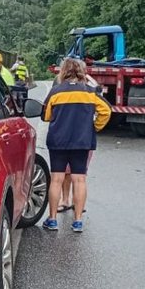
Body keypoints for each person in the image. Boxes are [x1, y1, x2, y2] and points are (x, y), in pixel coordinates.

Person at [41, 57, 111, 232]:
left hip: (58, 141)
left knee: (56, 179)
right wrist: (95, 127)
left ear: (63, 71)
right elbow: (106, 111)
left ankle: (52, 219)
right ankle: (78, 221)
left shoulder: (55, 92)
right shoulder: (90, 92)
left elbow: (46, 116)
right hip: (82, 140)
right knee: (79, 179)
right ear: (82, 71)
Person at [59, 72, 102, 212]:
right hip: (84, 138)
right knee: (79, 174)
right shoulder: (90, 86)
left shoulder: (61, 87)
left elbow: (49, 113)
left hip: (65, 137)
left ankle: (67, 201)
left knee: (68, 172)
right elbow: (105, 111)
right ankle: (76, 205)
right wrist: (95, 127)